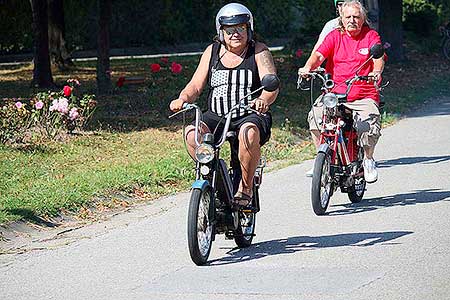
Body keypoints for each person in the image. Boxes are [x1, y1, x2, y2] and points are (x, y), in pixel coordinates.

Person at [169, 3, 279, 205]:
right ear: (220, 31)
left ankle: (245, 189)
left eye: (240, 28)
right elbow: (195, 85)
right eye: (229, 30)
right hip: (217, 115)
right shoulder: (212, 52)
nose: (235, 34)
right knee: (192, 135)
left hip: (249, 114)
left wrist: (263, 100)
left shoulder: (259, 51)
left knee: (248, 133)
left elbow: (271, 84)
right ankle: (216, 182)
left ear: (249, 29)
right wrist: (182, 99)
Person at [299, 0, 384, 183]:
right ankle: (322, 159)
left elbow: (378, 58)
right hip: (334, 94)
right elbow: (319, 55)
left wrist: (376, 72)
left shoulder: (371, 36)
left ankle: (368, 160)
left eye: (356, 16)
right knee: (315, 117)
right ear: (341, 18)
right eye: (348, 17)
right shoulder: (334, 36)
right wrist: (307, 68)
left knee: (367, 125)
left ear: (363, 19)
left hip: (363, 94)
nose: (352, 20)